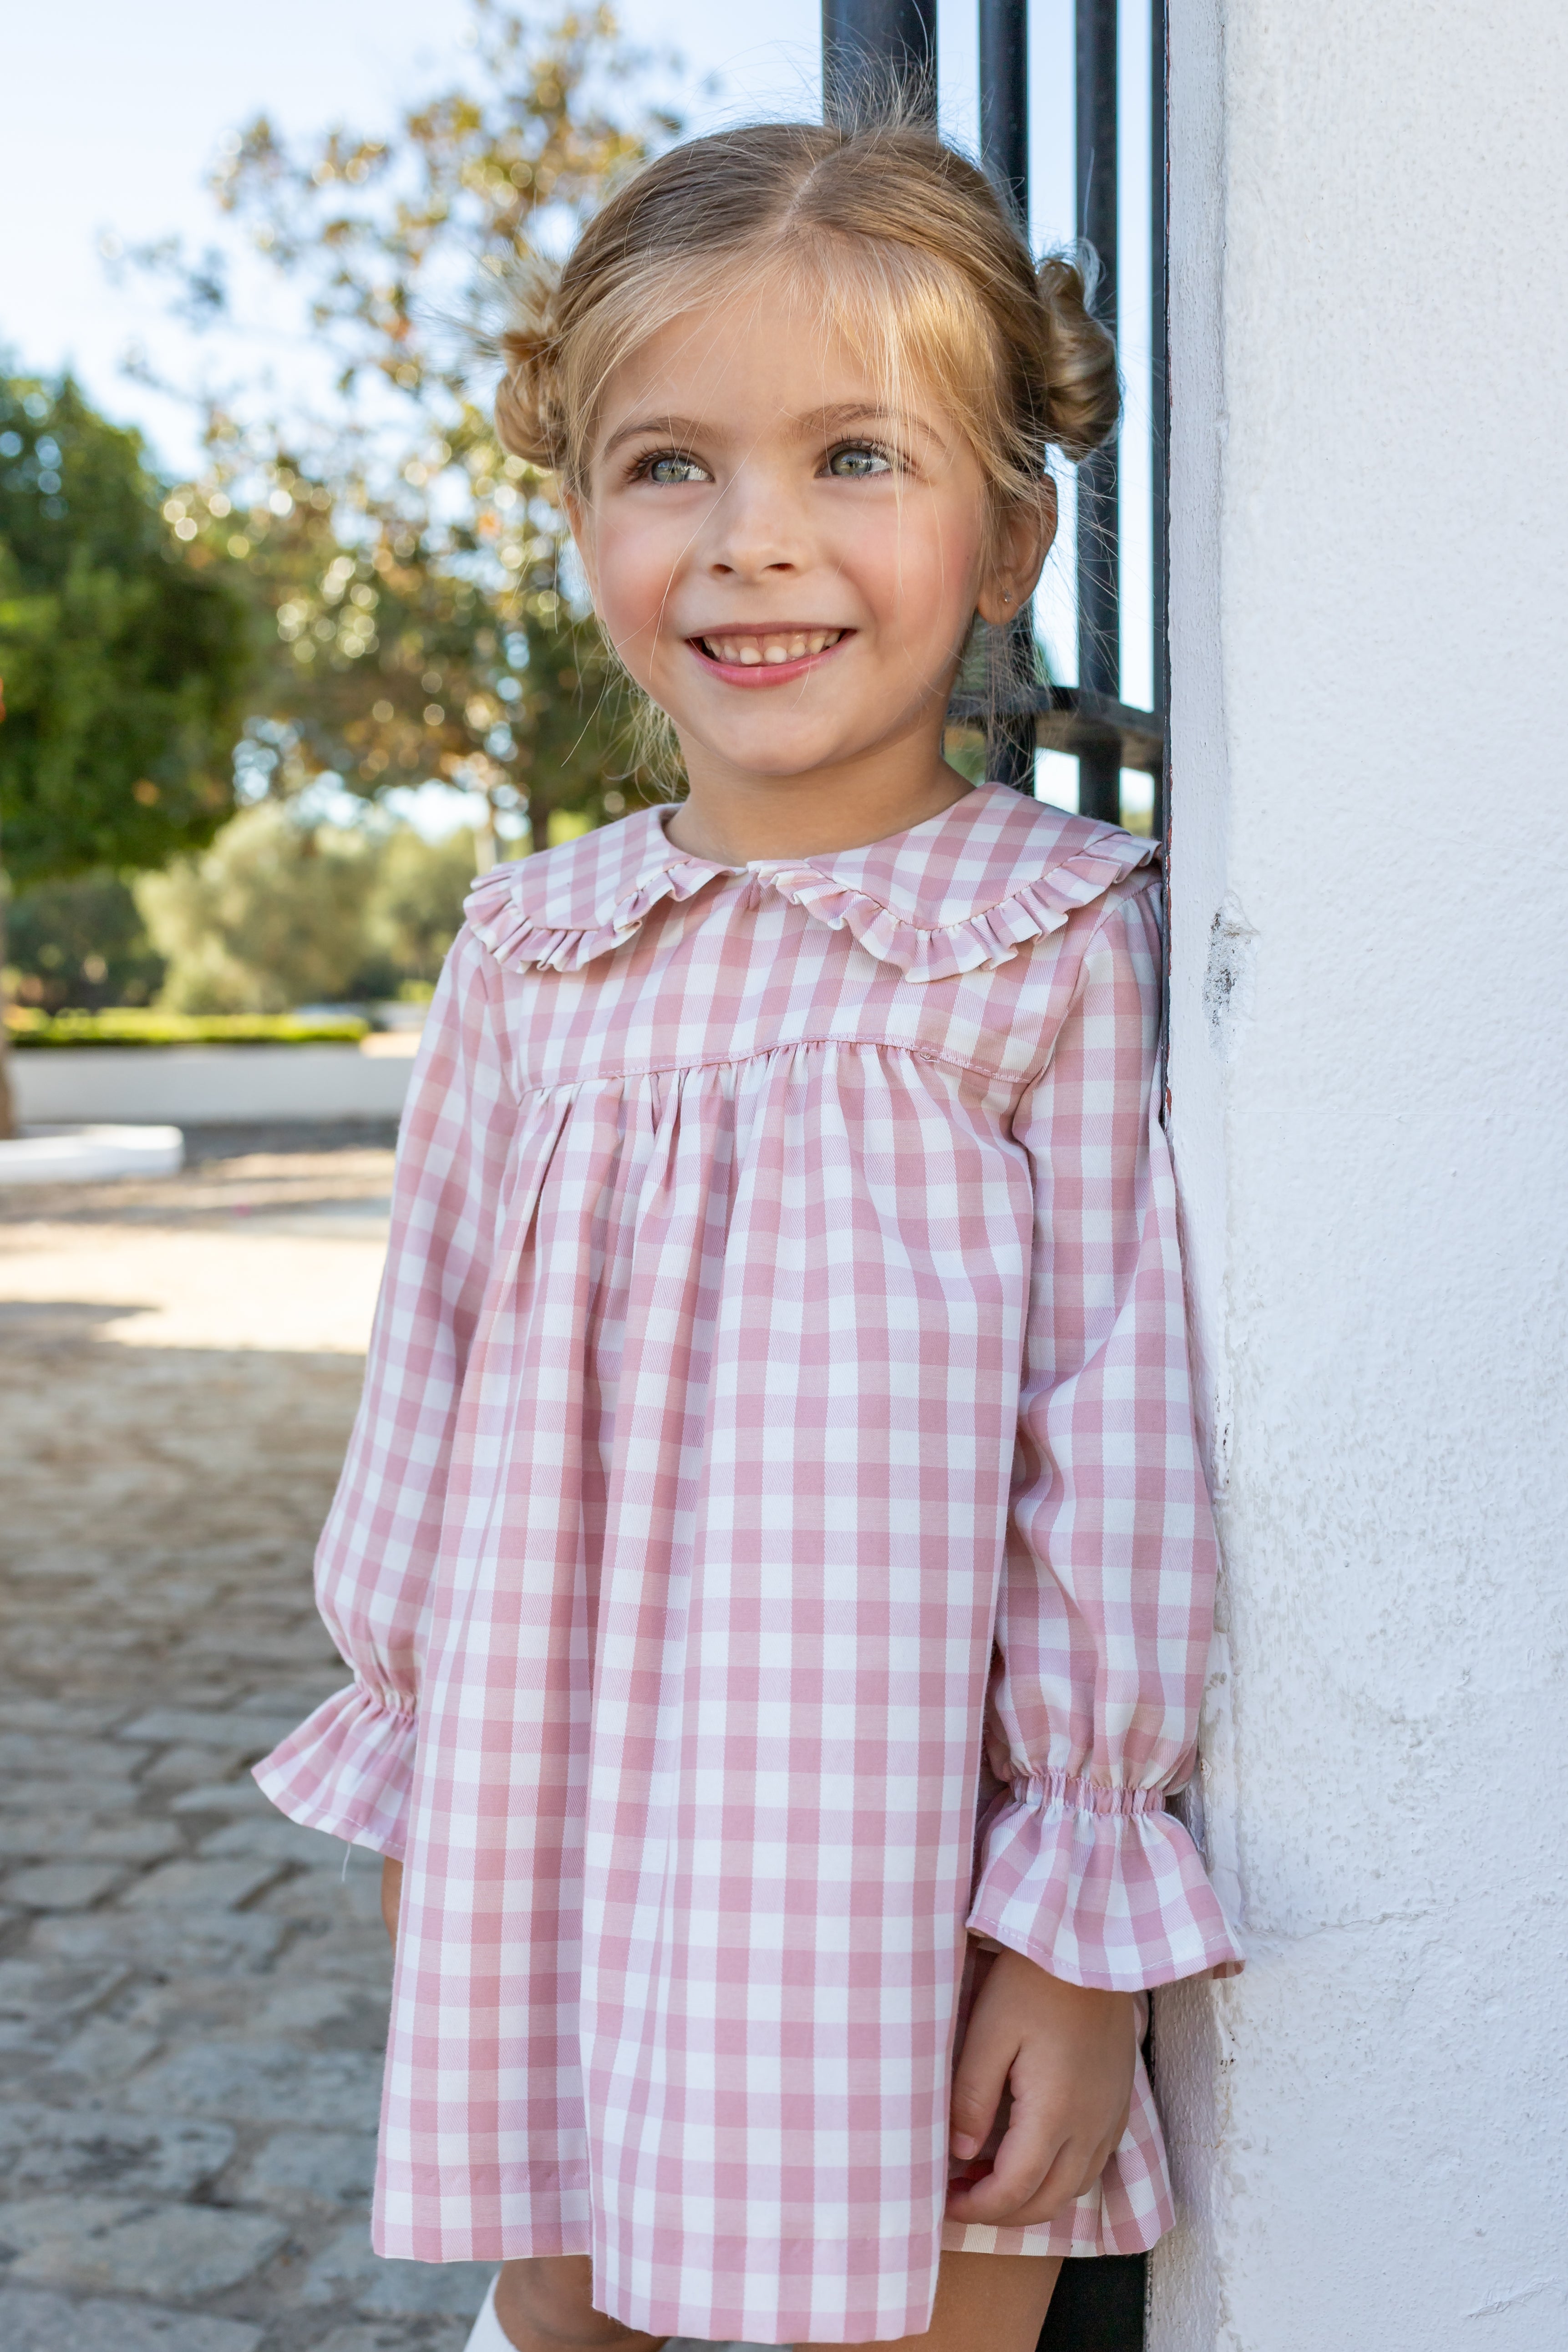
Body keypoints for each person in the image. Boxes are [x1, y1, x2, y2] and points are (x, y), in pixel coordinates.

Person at [256, 111, 1243, 2352]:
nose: (749, 543)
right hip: (563, 1849)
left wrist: (1073, 1935)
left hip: (891, 1887)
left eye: (853, 459)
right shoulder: (534, 955)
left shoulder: (1048, 943)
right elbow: (423, 1393)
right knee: (571, 2316)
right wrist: (443, 1841)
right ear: (583, 515)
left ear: (1010, 536)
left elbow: (1114, 1446)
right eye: (669, 464)